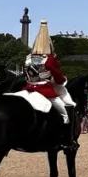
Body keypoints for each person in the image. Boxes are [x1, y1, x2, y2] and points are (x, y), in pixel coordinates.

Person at [23, 20, 76, 150]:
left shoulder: (28, 58)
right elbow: (58, 78)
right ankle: (68, 140)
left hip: (29, 88)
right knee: (66, 113)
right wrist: (62, 80)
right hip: (45, 90)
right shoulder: (49, 59)